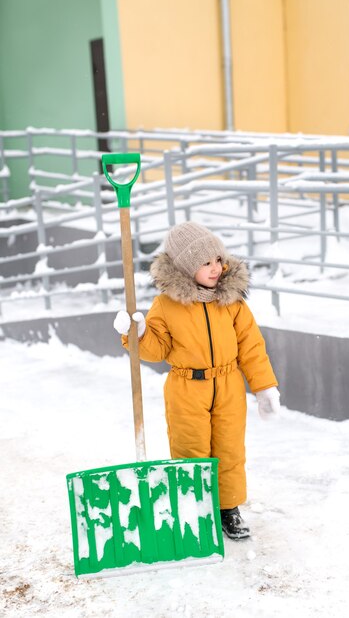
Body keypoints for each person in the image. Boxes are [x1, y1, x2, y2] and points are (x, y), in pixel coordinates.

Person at [114, 222, 280, 540]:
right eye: (205, 263)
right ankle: (195, 509)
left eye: (217, 259)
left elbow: (251, 346)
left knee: (230, 450)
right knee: (191, 449)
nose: (216, 268)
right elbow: (157, 349)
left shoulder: (232, 302)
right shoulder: (166, 305)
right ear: (187, 267)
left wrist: (264, 387)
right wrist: (136, 334)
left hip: (228, 384)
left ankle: (228, 509)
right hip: (186, 388)